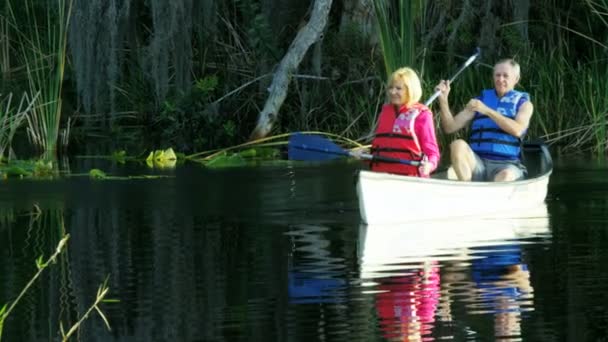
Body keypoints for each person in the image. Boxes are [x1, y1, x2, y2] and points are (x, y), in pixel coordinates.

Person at [435, 59, 533, 181]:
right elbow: (450, 127)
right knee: (457, 145)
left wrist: (487, 110)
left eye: (505, 76)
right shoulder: (480, 101)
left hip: (507, 164)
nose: (500, 79)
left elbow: (518, 130)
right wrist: (443, 100)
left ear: (516, 79)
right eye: (497, 75)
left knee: (505, 176)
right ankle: (467, 189)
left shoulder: (524, 104)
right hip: (478, 162)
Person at [369, 67, 440, 177]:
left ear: (410, 90)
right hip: (381, 174)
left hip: (410, 176)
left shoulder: (423, 115)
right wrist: (363, 155)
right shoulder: (385, 112)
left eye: (398, 88)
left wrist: (429, 165)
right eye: (390, 88)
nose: (393, 92)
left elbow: (432, 153)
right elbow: (379, 147)